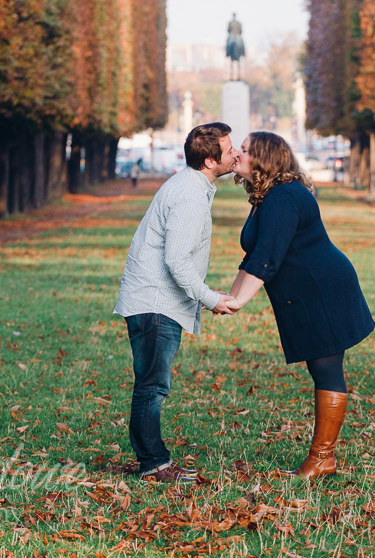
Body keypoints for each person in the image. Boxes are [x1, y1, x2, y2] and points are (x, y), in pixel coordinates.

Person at [226, 131, 375, 479]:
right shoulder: (270, 196)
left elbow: (267, 258)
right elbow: (253, 255)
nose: (238, 155)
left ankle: (323, 458)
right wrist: (229, 296)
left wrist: (236, 303)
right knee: (320, 369)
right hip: (308, 291)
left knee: (326, 370)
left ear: (264, 158)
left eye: (245, 151)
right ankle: (323, 457)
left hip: (322, 291)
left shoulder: (284, 198)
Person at [113, 122, 238, 483]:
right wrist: (211, 299)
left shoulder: (192, 185)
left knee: (151, 384)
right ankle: (154, 464)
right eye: (229, 150)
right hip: (155, 303)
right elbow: (177, 260)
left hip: (154, 300)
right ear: (211, 160)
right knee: (152, 386)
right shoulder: (189, 194)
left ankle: (152, 461)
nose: (235, 154)